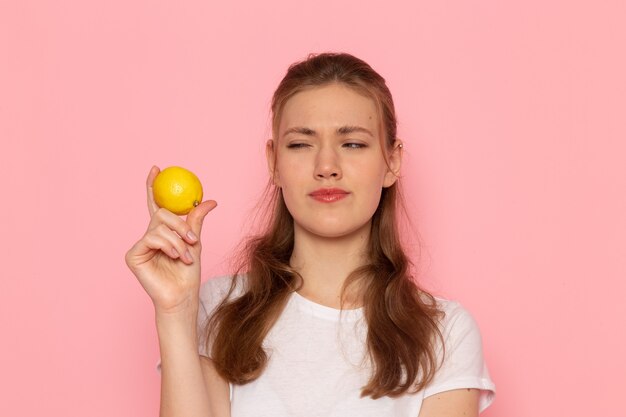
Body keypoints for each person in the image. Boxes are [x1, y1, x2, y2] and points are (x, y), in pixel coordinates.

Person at [125, 52, 496, 417]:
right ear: (274, 162)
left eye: (352, 143)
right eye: (301, 144)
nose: (326, 167)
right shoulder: (219, 309)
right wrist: (174, 311)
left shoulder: (445, 333)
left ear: (392, 161)